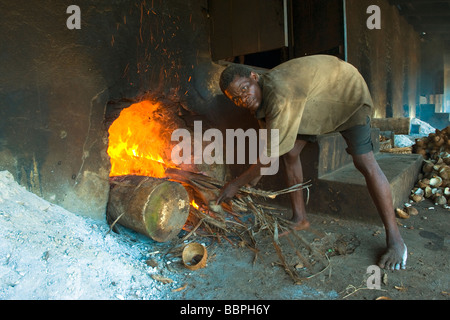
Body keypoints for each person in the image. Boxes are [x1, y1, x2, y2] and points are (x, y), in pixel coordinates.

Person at [216, 55, 407, 271]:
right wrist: (250, 185)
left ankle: (396, 240)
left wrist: (236, 184)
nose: (243, 99)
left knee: (364, 162)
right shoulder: (262, 103)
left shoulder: (280, 93)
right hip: (314, 107)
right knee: (290, 154)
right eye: (236, 99)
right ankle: (300, 218)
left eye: (243, 89)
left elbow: (267, 157)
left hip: (347, 94)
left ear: (254, 77)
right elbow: (270, 152)